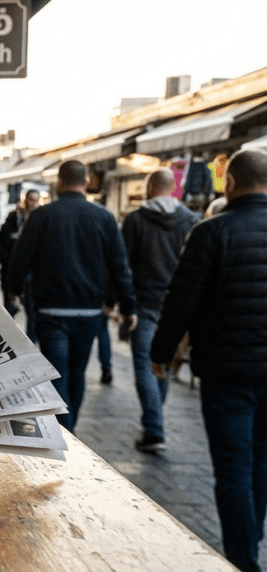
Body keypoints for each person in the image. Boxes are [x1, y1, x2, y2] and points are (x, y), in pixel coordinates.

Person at [150, 149, 267, 572]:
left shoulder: (211, 232)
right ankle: (250, 540)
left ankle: (242, 558)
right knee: (262, 462)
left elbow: (181, 302)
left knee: (234, 468)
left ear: (229, 184)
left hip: (227, 372)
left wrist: (160, 354)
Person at [6, 160, 137, 432]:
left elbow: (19, 259)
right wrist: (128, 306)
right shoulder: (104, 217)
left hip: (52, 311)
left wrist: (14, 290)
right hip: (88, 312)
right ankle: (71, 427)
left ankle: (66, 433)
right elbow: (119, 266)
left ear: (59, 184)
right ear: (87, 182)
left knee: (58, 373)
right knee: (77, 373)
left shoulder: (42, 216)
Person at [120, 168, 201, 453]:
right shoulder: (191, 221)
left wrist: (124, 305)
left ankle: (154, 429)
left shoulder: (136, 220)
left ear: (151, 187)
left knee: (145, 364)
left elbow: (124, 265)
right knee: (163, 364)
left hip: (143, 303)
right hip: (176, 307)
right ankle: (153, 422)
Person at [0, 189, 40, 340]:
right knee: (9, 310)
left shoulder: (41, 219)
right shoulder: (14, 218)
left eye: (35, 200)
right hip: (12, 271)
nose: (32, 203)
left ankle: (31, 344)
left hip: (32, 274)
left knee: (32, 312)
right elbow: (2, 243)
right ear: (25, 200)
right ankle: (5, 340)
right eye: (30, 200)